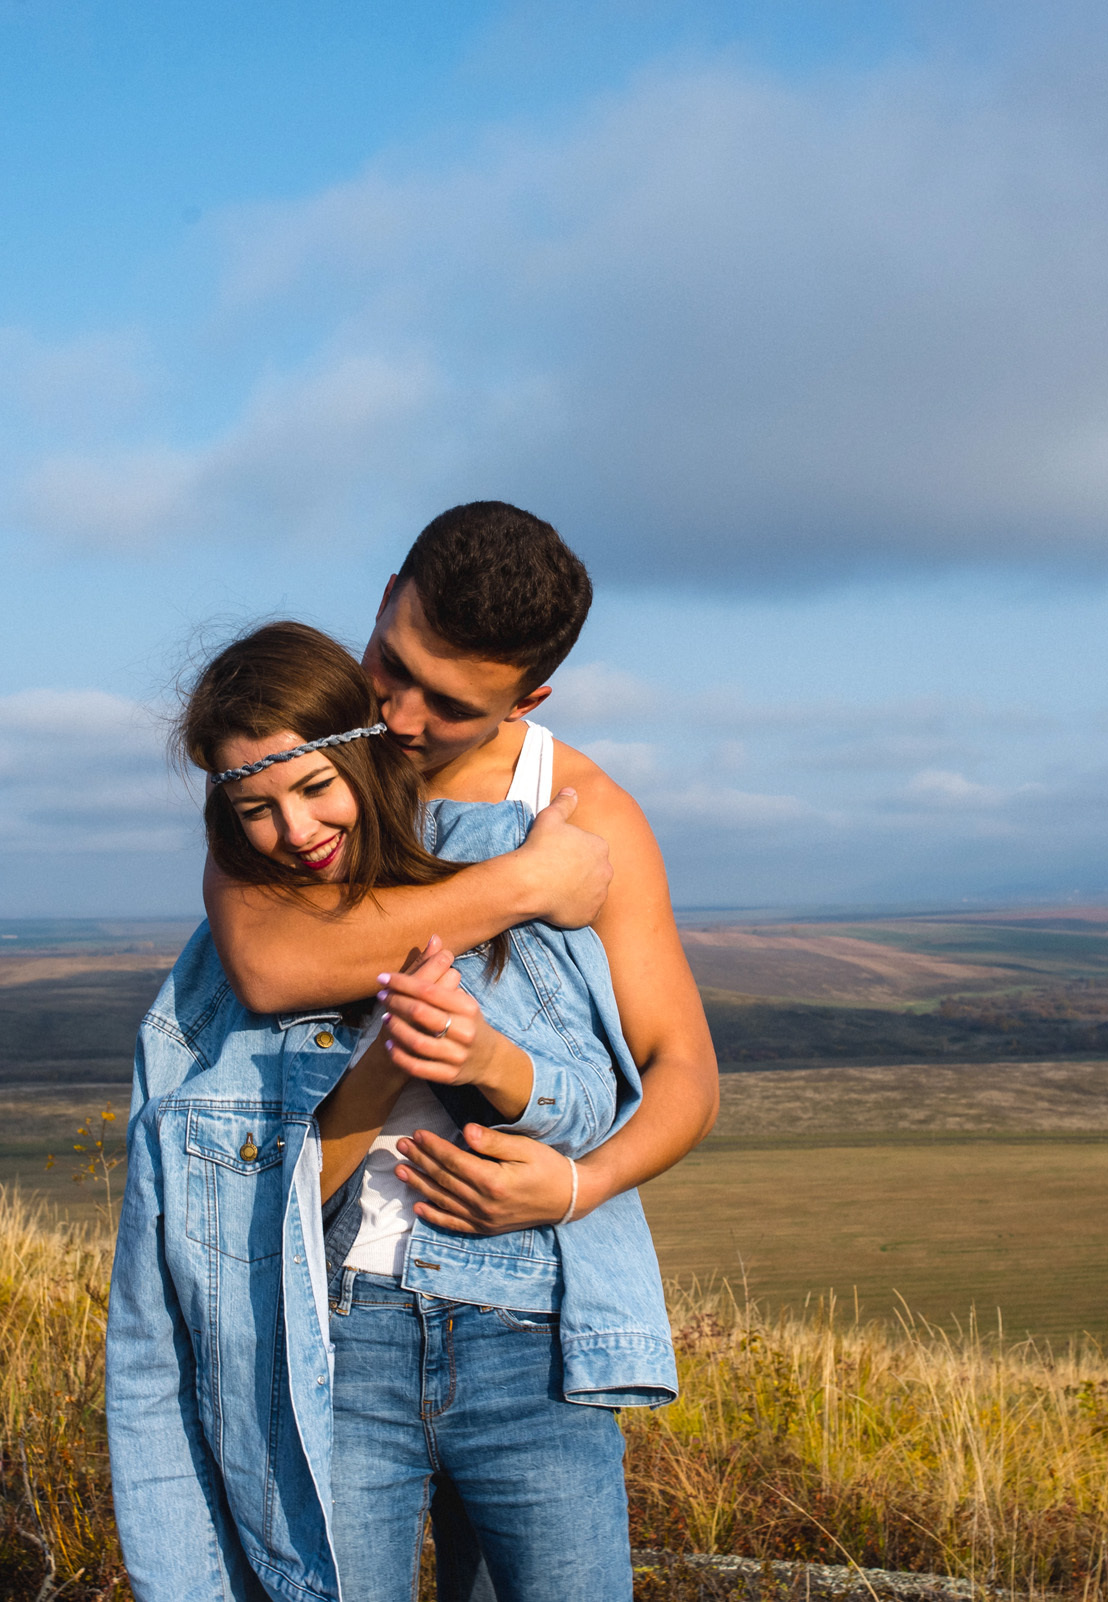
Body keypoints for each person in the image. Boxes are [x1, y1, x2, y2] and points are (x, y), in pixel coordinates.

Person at [201, 503, 720, 1598]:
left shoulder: (583, 811)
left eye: (450, 703)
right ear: (387, 595)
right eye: (393, 664)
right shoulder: (301, 760)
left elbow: (685, 1073)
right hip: (333, 1313)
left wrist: (579, 1183)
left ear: (528, 699)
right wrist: (524, 886)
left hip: (526, 1324)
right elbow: (265, 960)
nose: (398, 713)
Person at [107, 622, 675, 1602]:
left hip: (524, 1337)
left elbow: (594, 1098)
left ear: (364, 755)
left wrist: (491, 1063)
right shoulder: (259, 929)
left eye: (313, 789)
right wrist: (381, 1057)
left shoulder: (501, 865)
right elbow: (266, 1211)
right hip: (345, 1341)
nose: (292, 831)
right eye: (254, 810)